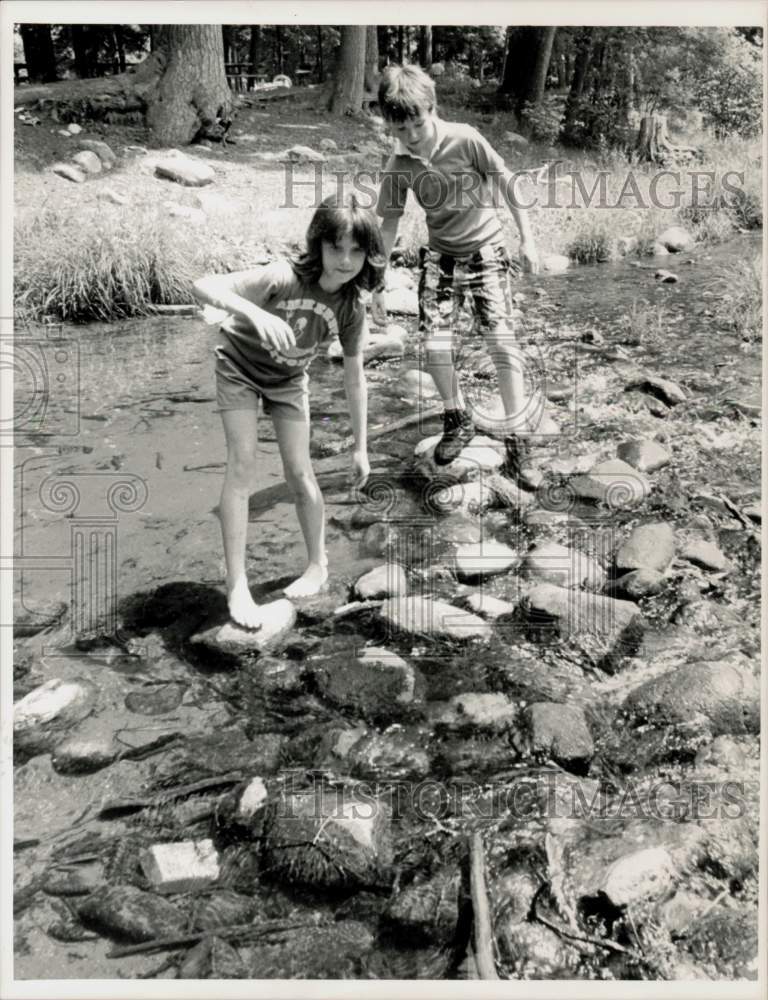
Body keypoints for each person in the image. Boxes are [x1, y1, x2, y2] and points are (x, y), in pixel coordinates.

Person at [193, 194, 385, 629]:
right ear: (317, 244)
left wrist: (361, 449)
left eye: (356, 250)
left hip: (288, 382)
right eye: (336, 247)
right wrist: (250, 312)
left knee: (300, 473)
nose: (346, 260)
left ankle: (318, 563)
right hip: (238, 367)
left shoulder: (352, 306)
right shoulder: (282, 277)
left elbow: (355, 379)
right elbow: (203, 285)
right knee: (243, 464)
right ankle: (238, 584)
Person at [372, 64, 542, 481]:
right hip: (441, 258)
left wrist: (529, 240)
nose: (411, 135)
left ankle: (519, 441)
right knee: (433, 346)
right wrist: (376, 278)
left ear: (433, 109)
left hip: (486, 250)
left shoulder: (465, 138)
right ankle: (457, 417)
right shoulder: (399, 166)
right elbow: (389, 224)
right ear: (389, 126)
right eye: (400, 129)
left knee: (501, 340)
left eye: (417, 124)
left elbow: (506, 182)